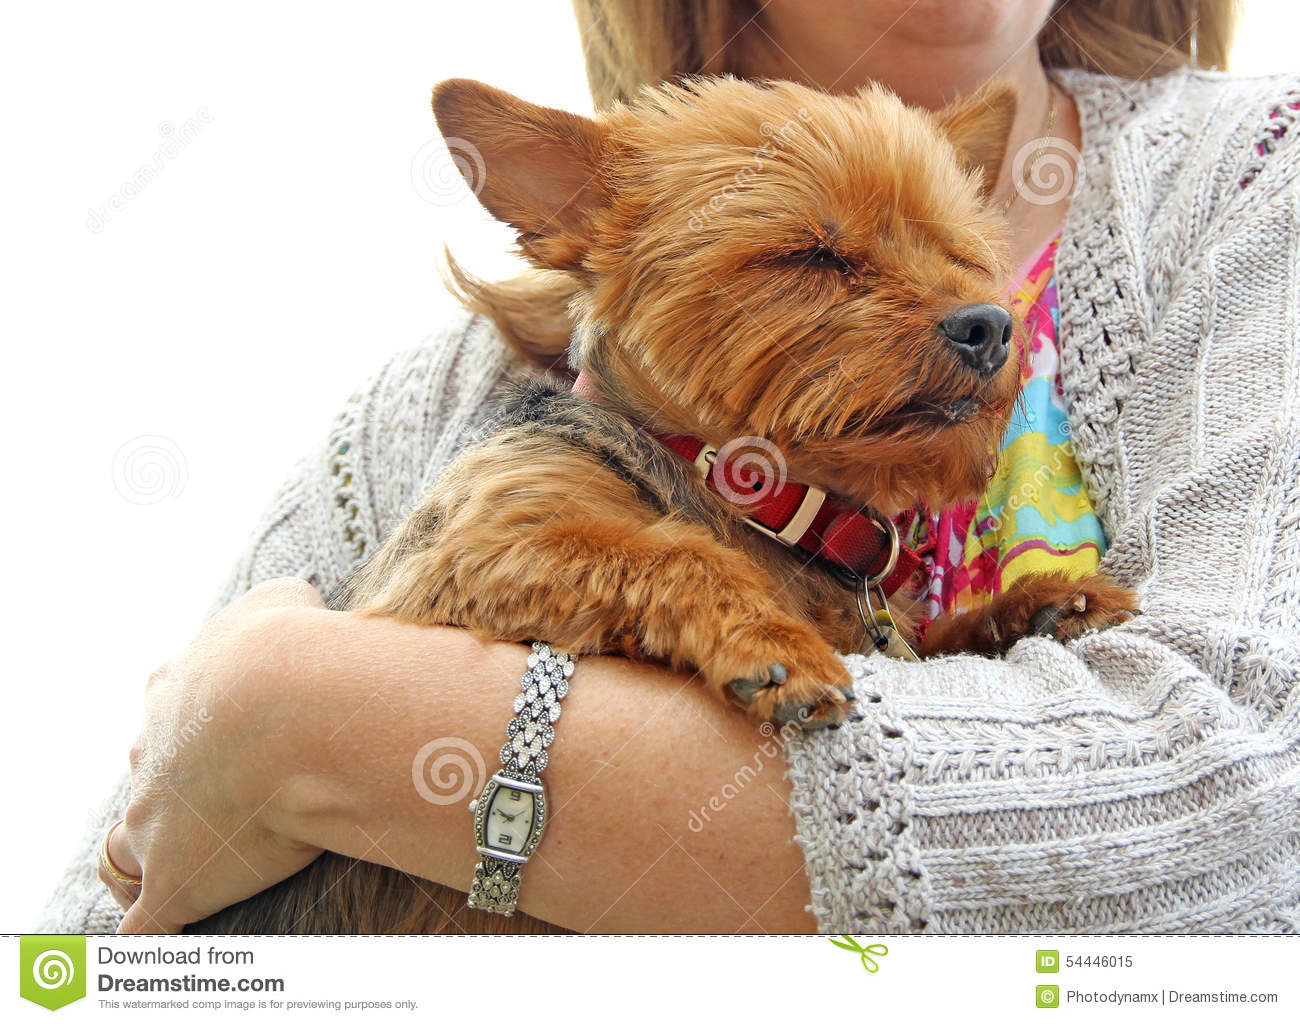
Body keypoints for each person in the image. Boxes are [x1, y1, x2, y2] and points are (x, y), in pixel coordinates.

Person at [45, 0, 1300, 934]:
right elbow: (100, 929)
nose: (965, 318)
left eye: (957, 258)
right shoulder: (439, 413)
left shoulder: (1252, 186)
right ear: (591, 225)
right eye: (816, 264)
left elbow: (1244, 834)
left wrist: (302, 715)